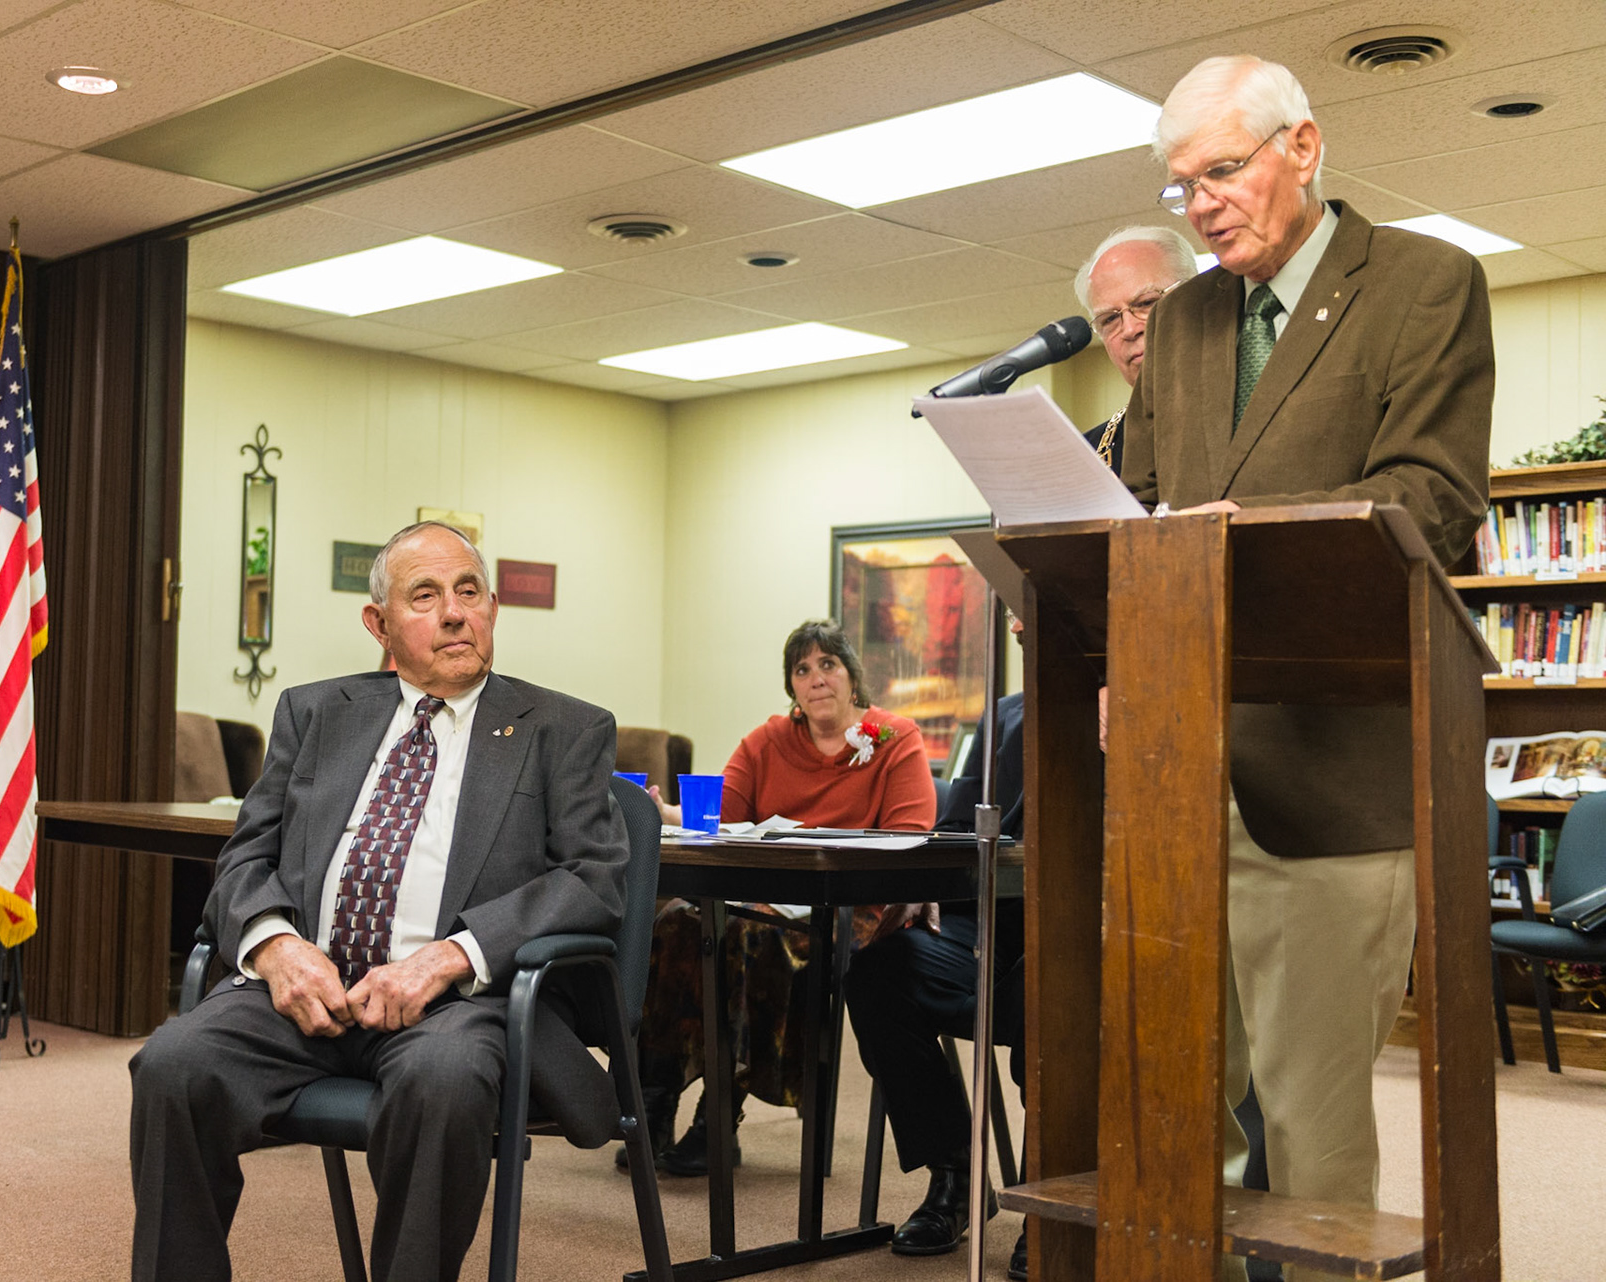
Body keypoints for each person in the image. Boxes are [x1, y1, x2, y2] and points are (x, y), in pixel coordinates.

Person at [1124, 54, 1492, 1281]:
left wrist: (1217, 545)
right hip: (1179, 781)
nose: (1206, 204)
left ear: (1304, 147)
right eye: (1184, 188)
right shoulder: (1179, 322)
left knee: (1315, 1148)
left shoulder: (1425, 284)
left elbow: (1430, 502)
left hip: (1331, 780)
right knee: (1179, 1135)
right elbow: (1131, 504)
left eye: (1223, 171)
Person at [129, 520, 631, 1282]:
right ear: (380, 623)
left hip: (459, 1005)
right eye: (425, 596)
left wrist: (445, 960)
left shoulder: (562, 729)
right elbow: (245, 858)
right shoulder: (316, 714)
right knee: (173, 1065)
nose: (455, 613)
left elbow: (592, 880)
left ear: (493, 607)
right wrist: (276, 948)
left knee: (444, 1083)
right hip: (306, 992)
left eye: (469, 592)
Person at [844, 227, 1194, 1277]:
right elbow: (955, 831)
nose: (1131, 333)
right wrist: (911, 889)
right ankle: (953, 1176)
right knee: (880, 963)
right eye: (1114, 317)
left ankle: (1058, 1208)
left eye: (1150, 309)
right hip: (990, 936)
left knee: (1063, 980)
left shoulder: (1221, 447)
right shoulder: (1006, 718)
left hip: (1097, 929)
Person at [625, 619, 934, 1176]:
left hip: (850, 907)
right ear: (791, 685)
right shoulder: (768, 740)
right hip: (766, 897)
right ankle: (653, 1104)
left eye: (828, 665)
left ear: (851, 676)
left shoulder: (895, 740)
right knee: (674, 924)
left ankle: (719, 1116)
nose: (816, 678)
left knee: (750, 936)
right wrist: (667, 815)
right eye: (802, 669)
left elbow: (909, 842)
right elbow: (718, 820)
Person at [1072, 224, 1202, 473]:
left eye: (1146, 303)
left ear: (1196, 298)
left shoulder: (1256, 410)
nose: (1130, 329)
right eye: (1109, 319)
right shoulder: (1088, 456)